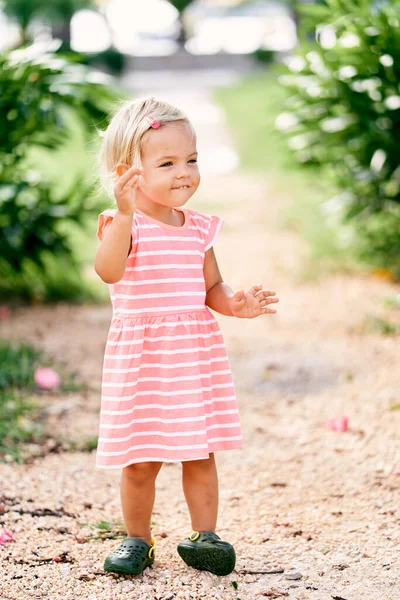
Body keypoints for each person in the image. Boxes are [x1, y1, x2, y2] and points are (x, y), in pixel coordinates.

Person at [94, 96, 279, 578]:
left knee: (200, 451)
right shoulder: (123, 224)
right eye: (168, 163)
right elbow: (109, 272)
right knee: (141, 459)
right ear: (128, 173)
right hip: (145, 359)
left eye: (192, 160)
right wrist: (125, 214)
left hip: (191, 357)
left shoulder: (198, 228)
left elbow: (211, 287)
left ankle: (205, 535)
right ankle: (138, 539)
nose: (185, 173)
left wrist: (236, 304)